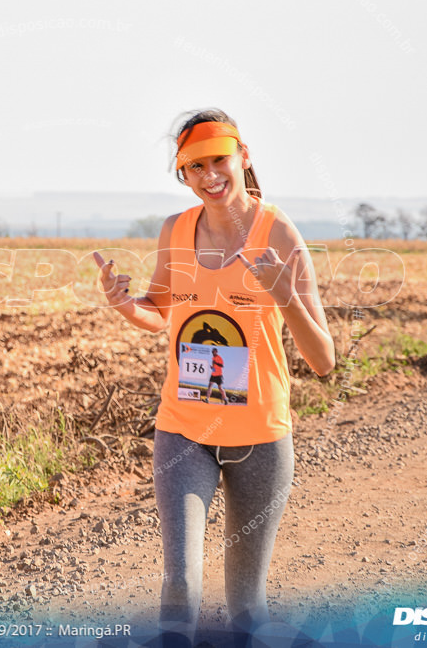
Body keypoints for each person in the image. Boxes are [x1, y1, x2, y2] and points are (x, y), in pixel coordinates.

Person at [94, 109, 335, 644]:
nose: (208, 176)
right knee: (178, 585)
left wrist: (285, 295)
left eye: (217, 160)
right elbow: (161, 312)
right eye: (193, 167)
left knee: (247, 607)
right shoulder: (176, 231)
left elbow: (324, 359)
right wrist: (125, 305)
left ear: (243, 156)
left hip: (260, 438)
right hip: (184, 432)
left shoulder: (278, 232)